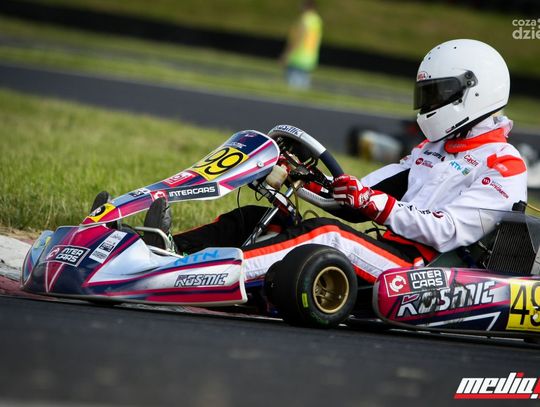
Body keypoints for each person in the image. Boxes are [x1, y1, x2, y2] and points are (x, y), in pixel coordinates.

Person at [164, 39, 527, 284]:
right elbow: (358, 197)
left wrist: (373, 203)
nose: (429, 105)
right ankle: (164, 253)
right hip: (387, 251)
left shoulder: (503, 165)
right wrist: (301, 178)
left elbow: (447, 230)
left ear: (473, 91)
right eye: (427, 95)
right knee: (260, 218)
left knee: (327, 235)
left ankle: (191, 276)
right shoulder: (433, 149)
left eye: (437, 94)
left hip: (423, 270)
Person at [280, 0, 322, 89]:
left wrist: (287, 54)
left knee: (292, 89)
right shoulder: (317, 20)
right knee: (302, 89)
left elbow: (298, 39)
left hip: (297, 58)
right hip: (310, 59)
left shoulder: (304, 19)